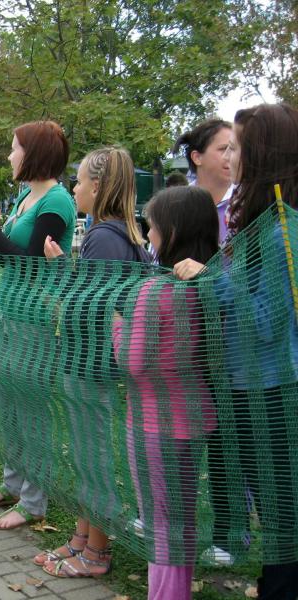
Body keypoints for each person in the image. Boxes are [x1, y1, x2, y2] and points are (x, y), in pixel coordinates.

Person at [174, 103, 298, 600]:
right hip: (248, 386)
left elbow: (268, 323)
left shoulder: (282, 230)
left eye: (239, 146)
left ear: (263, 153)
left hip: (271, 392)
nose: (231, 157)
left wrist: (211, 281)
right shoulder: (263, 220)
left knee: (281, 511)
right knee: (275, 508)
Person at [0, 120, 76, 529]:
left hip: (34, 321)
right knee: (8, 406)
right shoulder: (27, 195)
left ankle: (34, 501)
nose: (9, 156)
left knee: (30, 411)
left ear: (33, 154)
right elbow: (6, 257)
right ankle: (12, 484)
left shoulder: (56, 202)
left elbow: (29, 265)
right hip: (8, 314)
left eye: (14, 148)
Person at [41, 146, 151, 577]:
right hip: (91, 360)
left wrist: (58, 270)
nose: (75, 188)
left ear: (99, 186)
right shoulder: (115, 232)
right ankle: (82, 538)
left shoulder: (105, 237)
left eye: (81, 180)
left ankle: (97, 553)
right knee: (86, 452)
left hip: (92, 362)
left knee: (92, 457)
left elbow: (89, 305)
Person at [114, 186, 219, 599]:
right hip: (195, 416)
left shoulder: (155, 291)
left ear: (171, 232)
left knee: (161, 524)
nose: (147, 234)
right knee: (181, 518)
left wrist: (118, 325)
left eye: (152, 226)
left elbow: (133, 362)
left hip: (154, 423)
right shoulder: (212, 283)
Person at [172, 119, 233, 242]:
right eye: (223, 149)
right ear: (197, 157)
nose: (230, 156)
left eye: (234, 149)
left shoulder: (248, 203)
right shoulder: (174, 206)